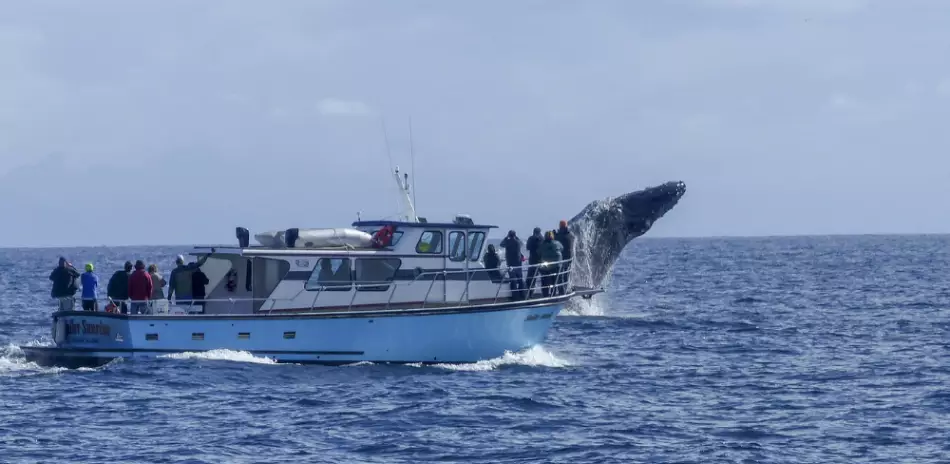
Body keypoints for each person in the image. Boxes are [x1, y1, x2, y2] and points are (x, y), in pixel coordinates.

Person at [499, 229, 525, 299]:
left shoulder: (508, 242)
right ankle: (523, 295)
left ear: (509, 235)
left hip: (511, 263)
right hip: (518, 263)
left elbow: (501, 244)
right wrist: (516, 237)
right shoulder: (518, 242)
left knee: (513, 279)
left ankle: (515, 296)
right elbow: (522, 243)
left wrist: (506, 237)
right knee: (520, 279)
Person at [538, 231, 563, 298]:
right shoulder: (557, 243)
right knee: (555, 281)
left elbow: (538, 252)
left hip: (546, 267)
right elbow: (562, 248)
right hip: (556, 266)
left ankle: (545, 295)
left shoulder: (542, 245)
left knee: (545, 281)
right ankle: (554, 294)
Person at [554, 220, 575, 295]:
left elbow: (557, 240)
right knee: (566, 274)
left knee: (560, 275)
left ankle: (562, 290)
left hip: (562, 258)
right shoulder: (570, 235)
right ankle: (565, 288)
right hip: (568, 257)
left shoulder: (560, 236)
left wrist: (555, 234)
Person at [524, 227, 543, 298]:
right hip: (542, 261)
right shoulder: (543, 238)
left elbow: (528, 247)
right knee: (545, 277)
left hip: (533, 260)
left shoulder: (531, 238)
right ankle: (547, 292)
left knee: (531, 278)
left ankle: (529, 294)